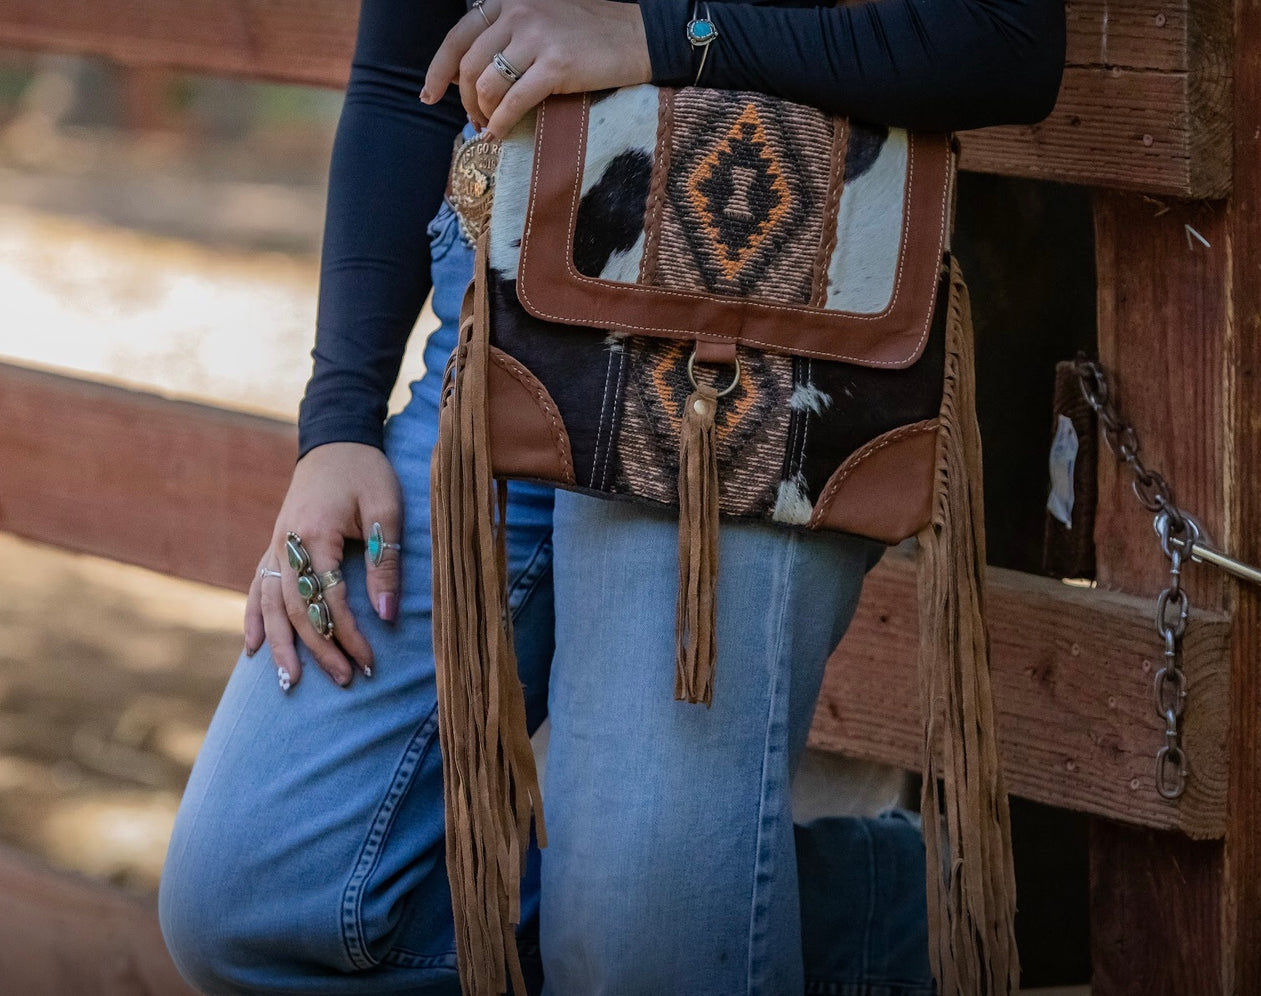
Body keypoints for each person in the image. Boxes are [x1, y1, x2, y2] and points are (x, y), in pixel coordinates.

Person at [157, 0, 1064, 992]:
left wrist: (661, 33)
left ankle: (925, 916)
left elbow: (1003, 40)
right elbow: (400, 73)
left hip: (756, 323)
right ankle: (878, 915)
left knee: (641, 941)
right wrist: (333, 427)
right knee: (249, 902)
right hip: (502, 309)